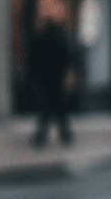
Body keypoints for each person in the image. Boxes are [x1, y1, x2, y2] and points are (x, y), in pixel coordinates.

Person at [29, 12, 77, 147]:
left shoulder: (41, 39)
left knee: (48, 108)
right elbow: (68, 58)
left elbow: (33, 61)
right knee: (57, 108)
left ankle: (44, 136)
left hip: (45, 79)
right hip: (57, 79)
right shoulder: (60, 38)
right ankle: (64, 134)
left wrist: (36, 77)